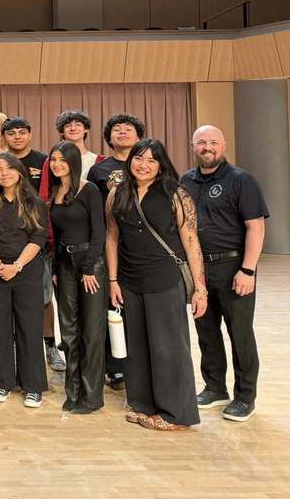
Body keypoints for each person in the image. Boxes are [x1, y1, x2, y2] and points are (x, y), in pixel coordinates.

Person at [106, 138, 207, 431]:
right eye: (139, 158)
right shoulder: (117, 193)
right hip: (129, 279)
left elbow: (191, 240)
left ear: (161, 165)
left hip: (165, 278)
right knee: (136, 346)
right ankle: (143, 405)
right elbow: (112, 237)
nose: (144, 165)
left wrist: (200, 288)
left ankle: (177, 414)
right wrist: (113, 279)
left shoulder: (176, 194)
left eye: (152, 160)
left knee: (168, 348)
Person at [181, 125, 268, 422]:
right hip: (199, 269)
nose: (207, 147)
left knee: (240, 334)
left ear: (224, 145)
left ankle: (245, 397)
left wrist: (248, 270)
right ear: (193, 146)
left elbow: (256, 227)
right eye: (201, 142)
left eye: (213, 142)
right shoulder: (185, 181)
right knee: (206, 331)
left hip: (233, 268)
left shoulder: (242, 180)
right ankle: (215, 388)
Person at [0, 152, 49, 408]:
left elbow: (38, 238)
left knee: (30, 327)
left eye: (8, 168)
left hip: (26, 271)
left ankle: (33, 386)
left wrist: (16, 266)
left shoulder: (34, 202)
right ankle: (2, 382)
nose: (3, 174)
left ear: (19, 171)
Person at [47, 141, 106, 414]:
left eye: (62, 159)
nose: (57, 164)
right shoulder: (55, 192)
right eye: (53, 160)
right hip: (65, 265)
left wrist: (89, 268)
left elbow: (99, 232)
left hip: (89, 264)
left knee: (91, 331)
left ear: (73, 161)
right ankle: (72, 391)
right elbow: (57, 235)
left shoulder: (89, 189)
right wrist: (56, 269)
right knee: (69, 331)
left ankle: (91, 396)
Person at [87, 112, 145, 390]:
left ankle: (141, 365)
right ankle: (115, 367)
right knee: (113, 307)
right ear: (108, 138)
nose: (122, 132)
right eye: (117, 129)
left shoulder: (147, 165)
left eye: (128, 129)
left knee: (140, 308)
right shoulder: (99, 169)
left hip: (142, 247)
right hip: (109, 244)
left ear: (139, 136)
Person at [3, 116, 61, 372]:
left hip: (38, 238)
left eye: (21, 132)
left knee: (44, 296)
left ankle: (49, 345)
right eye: (11, 133)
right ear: (4, 137)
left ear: (30, 134)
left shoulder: (44, 161)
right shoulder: (1, 162)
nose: (17, 137)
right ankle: (17, 345)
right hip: (8, 238)